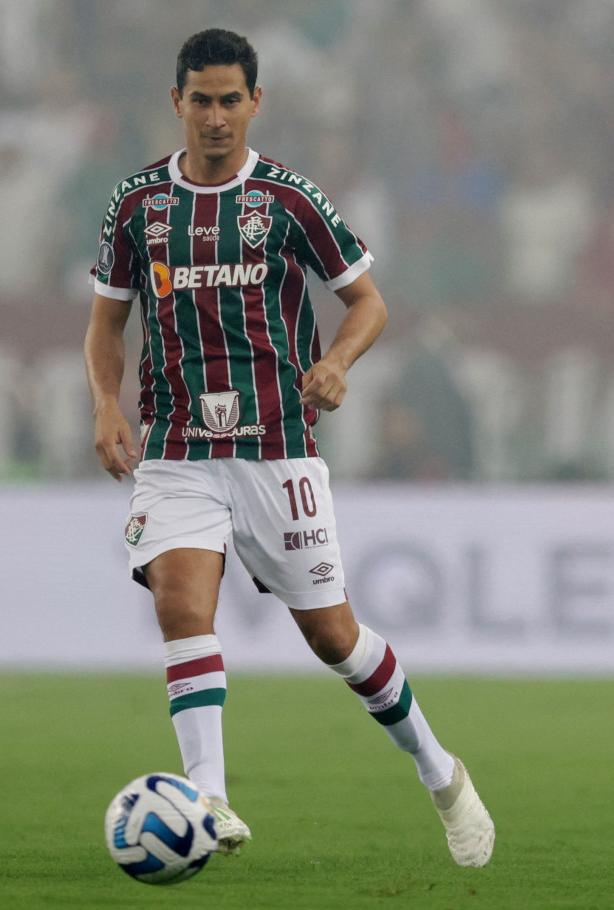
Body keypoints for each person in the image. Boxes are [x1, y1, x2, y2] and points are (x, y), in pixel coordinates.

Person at [83, 29, 494, 867]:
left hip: (278, 446)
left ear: (255, 103)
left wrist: (338, 361)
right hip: (177, 446)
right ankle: (209, 798)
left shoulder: (290, 200)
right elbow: (106, 321)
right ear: (177, 104)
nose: (216, 115)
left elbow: (368, 300)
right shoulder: (138, 205)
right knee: (181, 604)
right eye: (201, 99)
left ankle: (439, 768)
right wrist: (104, 404)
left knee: (334, 637)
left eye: (231, 99)